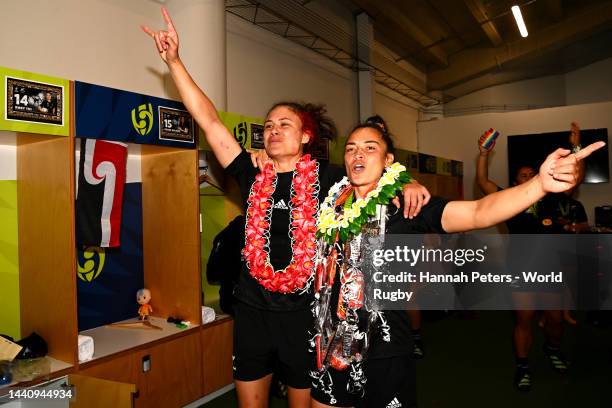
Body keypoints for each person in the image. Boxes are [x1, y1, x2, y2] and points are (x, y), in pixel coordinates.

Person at [141, 8, 431, 408]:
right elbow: (209, 121)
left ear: (306, 136)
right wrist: (174, 62)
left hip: (304, 318)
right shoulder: (251, 174)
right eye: (269, 125)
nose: (273, 130)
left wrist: (406, 179)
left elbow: (373, 174)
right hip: (252, 315)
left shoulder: (330, 179)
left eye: (284, 124)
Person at [310, 122, 603, 407]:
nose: (357, 154)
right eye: (351, 148)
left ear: (388, 160)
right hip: (332, 345)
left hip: (385, 350)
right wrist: (262, 155)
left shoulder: (408, 205)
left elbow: (479, 211)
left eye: (369, 147)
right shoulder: (331, 198)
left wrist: (540, 184)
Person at [476, 126, 581, 391]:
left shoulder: (551, 196)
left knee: (555, 321)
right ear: (514, 183)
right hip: (521, 267)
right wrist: (482, 154)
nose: (529, 176)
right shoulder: (508, 200)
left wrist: (576, 149)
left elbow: (574, 178)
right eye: (523, 175)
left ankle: (552, 348)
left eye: (531, 174)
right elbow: (483, 181)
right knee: (524, 319)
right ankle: (523, 365)